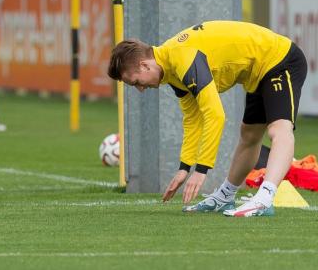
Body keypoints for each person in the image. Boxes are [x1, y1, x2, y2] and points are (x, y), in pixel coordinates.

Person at [107, 20, 307, 217]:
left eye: (135, 82)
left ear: (144, 65)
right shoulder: (169, 69)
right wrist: (184, 168)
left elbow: (215, 115)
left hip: (280, 60)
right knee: (249, 135)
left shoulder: (182, 58)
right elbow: (193, 119)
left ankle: (265, 197)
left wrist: (201, 171)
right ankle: (225, 196)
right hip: (257, 73)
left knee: (279, 128)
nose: (140, 89)